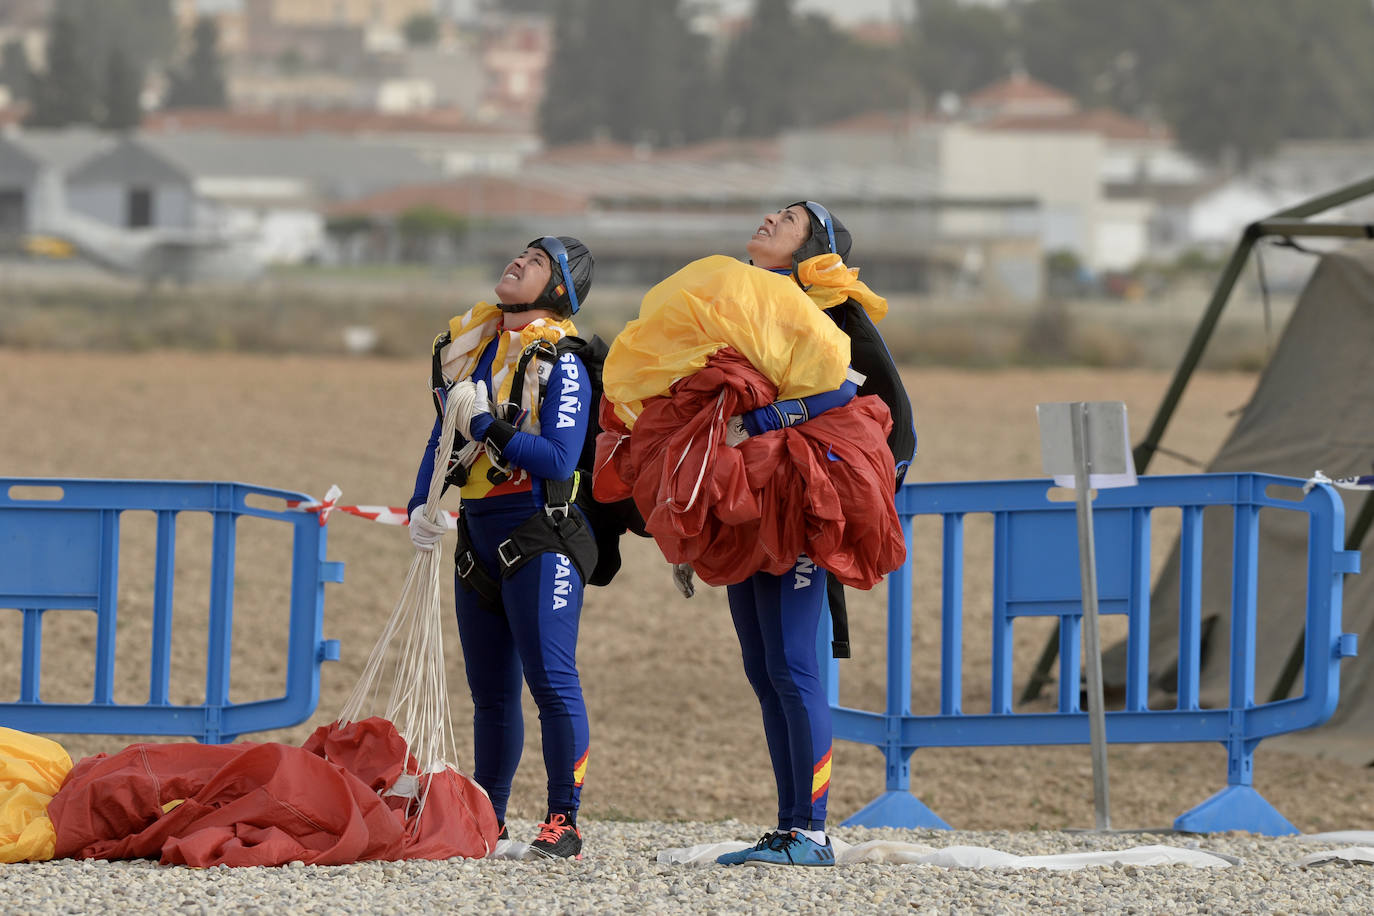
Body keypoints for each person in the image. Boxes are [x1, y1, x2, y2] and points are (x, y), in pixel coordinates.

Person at [708, 201, 915, 867]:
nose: (769, 217)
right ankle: (788, 824)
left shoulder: (830, 310)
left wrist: (773, 420)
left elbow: (864, 401)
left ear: (813, 245)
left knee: (796, 667)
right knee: (764, 670)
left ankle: (812, 833)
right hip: (748, 508)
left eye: (789, 217)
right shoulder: (745, 305)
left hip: (803, 508)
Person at [406, 236, 597, 860]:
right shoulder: (476, 349)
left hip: (539, 532)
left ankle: (562, 821)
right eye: (519, 253)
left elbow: (560, 458)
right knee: (489, 694)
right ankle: (491, 817)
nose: (517, 261)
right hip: (476, 535)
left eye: (537, 261)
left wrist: (488, 425)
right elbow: (444, 434)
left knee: (551, 680)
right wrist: (421, 506)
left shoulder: (561, 361)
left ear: (559, 289)